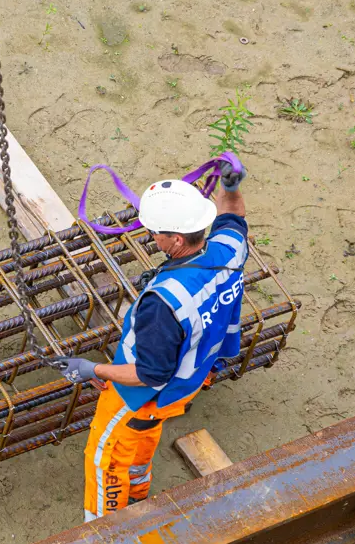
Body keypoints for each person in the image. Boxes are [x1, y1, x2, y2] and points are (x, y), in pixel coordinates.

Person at [50, 164, 248, 520]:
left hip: (141, 395)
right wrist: (231, 188)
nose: (152, 236)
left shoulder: (164, 302)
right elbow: (233, 217)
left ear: (175, 240)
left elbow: (151, 374)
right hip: (187, 383)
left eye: (157, 232)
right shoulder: (228, 251)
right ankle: (138, 497)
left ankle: (106, 533)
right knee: (141, 442)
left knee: (105, 461)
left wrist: (93, 369)